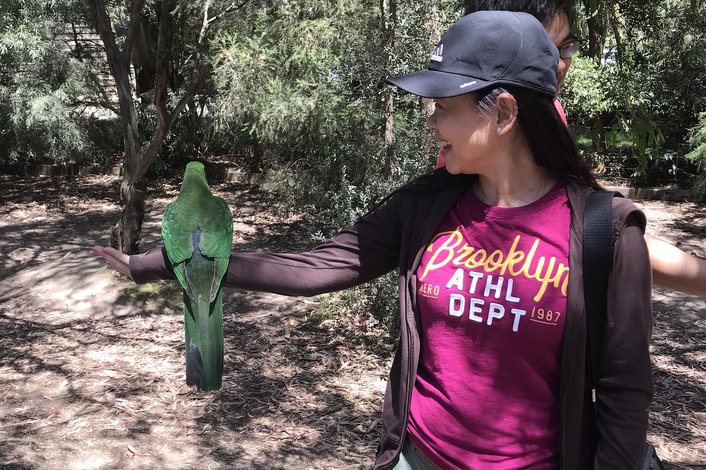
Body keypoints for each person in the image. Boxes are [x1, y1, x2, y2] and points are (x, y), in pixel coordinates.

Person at [94, 11, 654, 469]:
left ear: (504, 112)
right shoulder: (427, 207)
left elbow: (624, 397)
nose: (430, 121)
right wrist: (164, 264)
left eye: (445, 107)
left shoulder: (605, 231)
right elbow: (318, 266)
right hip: (417, 457)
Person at [456, 0, 706, 297]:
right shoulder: (475, 130)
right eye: (545, 50)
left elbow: (587, 225)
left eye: (567, 47)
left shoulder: (549, 111)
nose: (560, 65)